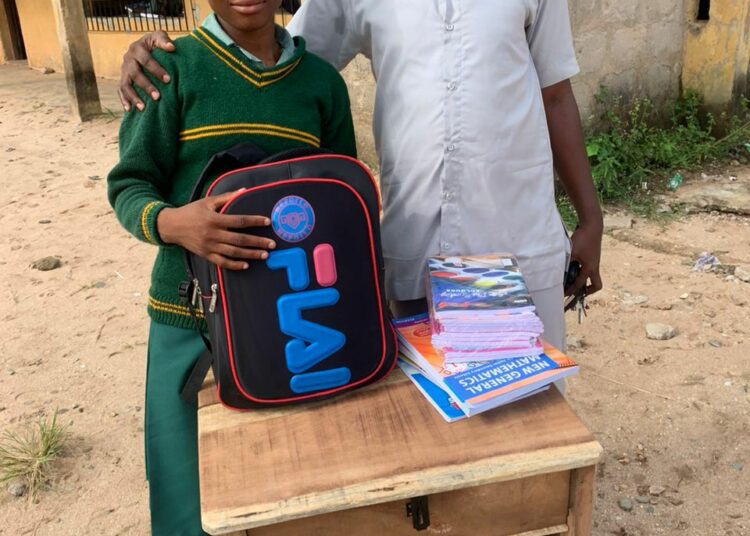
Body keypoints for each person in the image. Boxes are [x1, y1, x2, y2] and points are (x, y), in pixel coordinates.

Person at [118, 1, 603, 352]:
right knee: (426, 406)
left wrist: (590, 219)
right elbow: (274, 61)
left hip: (515, 230)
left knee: (529, 405)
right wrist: (167, 55)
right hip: (417, 241)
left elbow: (555, 94)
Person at [107, 0, 356, 533]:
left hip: (300, 325)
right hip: (189, 320)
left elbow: (340, 201)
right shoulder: (169, 68)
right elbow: (129, 184)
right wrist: (175, 224)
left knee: (293, 490)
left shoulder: (321, 84)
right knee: (189, 498)